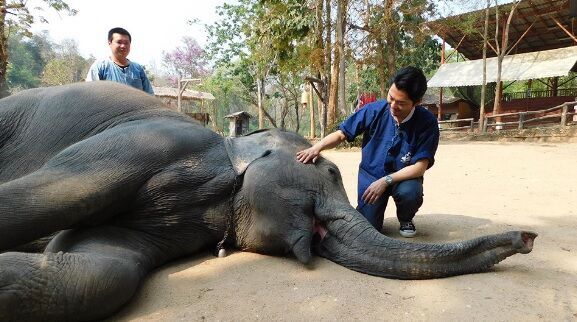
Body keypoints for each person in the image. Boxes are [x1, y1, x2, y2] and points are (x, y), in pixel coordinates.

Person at [296, 66, 439, 238]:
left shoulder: (427, 122)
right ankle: (371, 213)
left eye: (400, 103)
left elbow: (419, 167)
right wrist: (316, 147)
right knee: (367, 230)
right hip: (371, 175)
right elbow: (342, 134)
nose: (393, 106)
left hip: (403, 177)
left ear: (417, 102)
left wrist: (386, 181)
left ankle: (406, 218)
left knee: (410, 192)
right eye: (391, 97)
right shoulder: (374, 110)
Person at [86, 27, 154, 95]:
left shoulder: (138, 69)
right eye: (119, 42)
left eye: (126, 43)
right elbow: (90, 95)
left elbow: (149, 95)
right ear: (110, 43)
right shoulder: (100, 67)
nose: (123, 46)